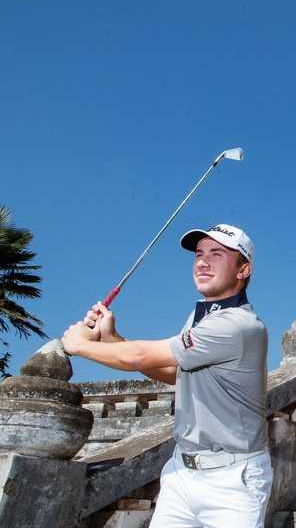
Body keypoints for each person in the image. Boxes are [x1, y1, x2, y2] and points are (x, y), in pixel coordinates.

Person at [62, 223, 272, 528]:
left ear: (243, 270)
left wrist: (78, 344)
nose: (202, 261)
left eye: (217, 254)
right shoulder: (199, 318)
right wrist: (112, 339)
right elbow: (174, 372)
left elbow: (139, 357)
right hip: (182, 473)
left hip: (234, 481)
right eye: (199, 254)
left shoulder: (239, 325)